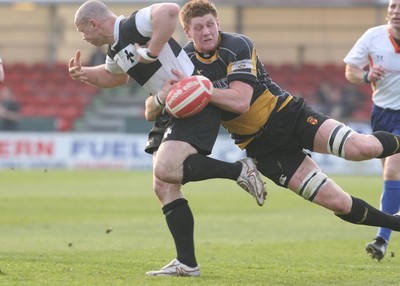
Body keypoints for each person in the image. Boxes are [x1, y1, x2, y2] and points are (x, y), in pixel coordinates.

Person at [145, 0, 400, 275]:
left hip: (289, 117)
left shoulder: (237, 44)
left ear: (218, 24)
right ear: (186, 30)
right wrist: (161, 98)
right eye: (198, 27)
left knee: (360, 148)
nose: (206, 32)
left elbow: (241, 101)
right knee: (337, 202)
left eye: (210, 25)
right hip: (262, 149)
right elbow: (151, 109)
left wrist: (200, 88)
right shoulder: (183, 63)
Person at [69, 0, 266, 277]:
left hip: (191, 98)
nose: (84, 38)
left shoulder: (131, 25)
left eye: (82, 31)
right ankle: (187, 263)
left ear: (94, 23)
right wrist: (84, 75)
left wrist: (151, 51)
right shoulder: (115, 49)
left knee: (166, 168)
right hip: (168, 105)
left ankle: (239, 169)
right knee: (164, 186)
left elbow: (171, 10)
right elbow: (114, 77)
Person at [343, 0, 400, 261]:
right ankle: (384, 239)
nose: (395, 12)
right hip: (381, 115)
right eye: (392, 7)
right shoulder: (373, 36)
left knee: (392, 170)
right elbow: (351, 71)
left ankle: (381, 239)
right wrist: (366, 76)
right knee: (390, 179)